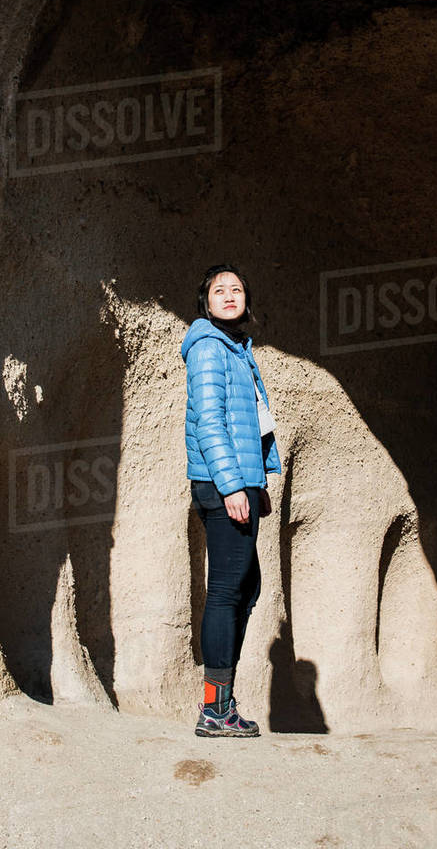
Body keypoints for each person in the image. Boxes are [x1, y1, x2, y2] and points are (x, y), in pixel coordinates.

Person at [181, 263, 281, 737]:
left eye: (237, 289)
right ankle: (214, 708)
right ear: (205, 302)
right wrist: (231, 485)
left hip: (238, 483)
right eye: (219, 290)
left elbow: (248, 425)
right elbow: (209, 423)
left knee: (244, 588)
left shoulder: (237, 349)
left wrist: (255, 483)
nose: (229, 295)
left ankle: (221, 702)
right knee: (225, 592)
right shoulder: (207, 346)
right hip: (222, 485)